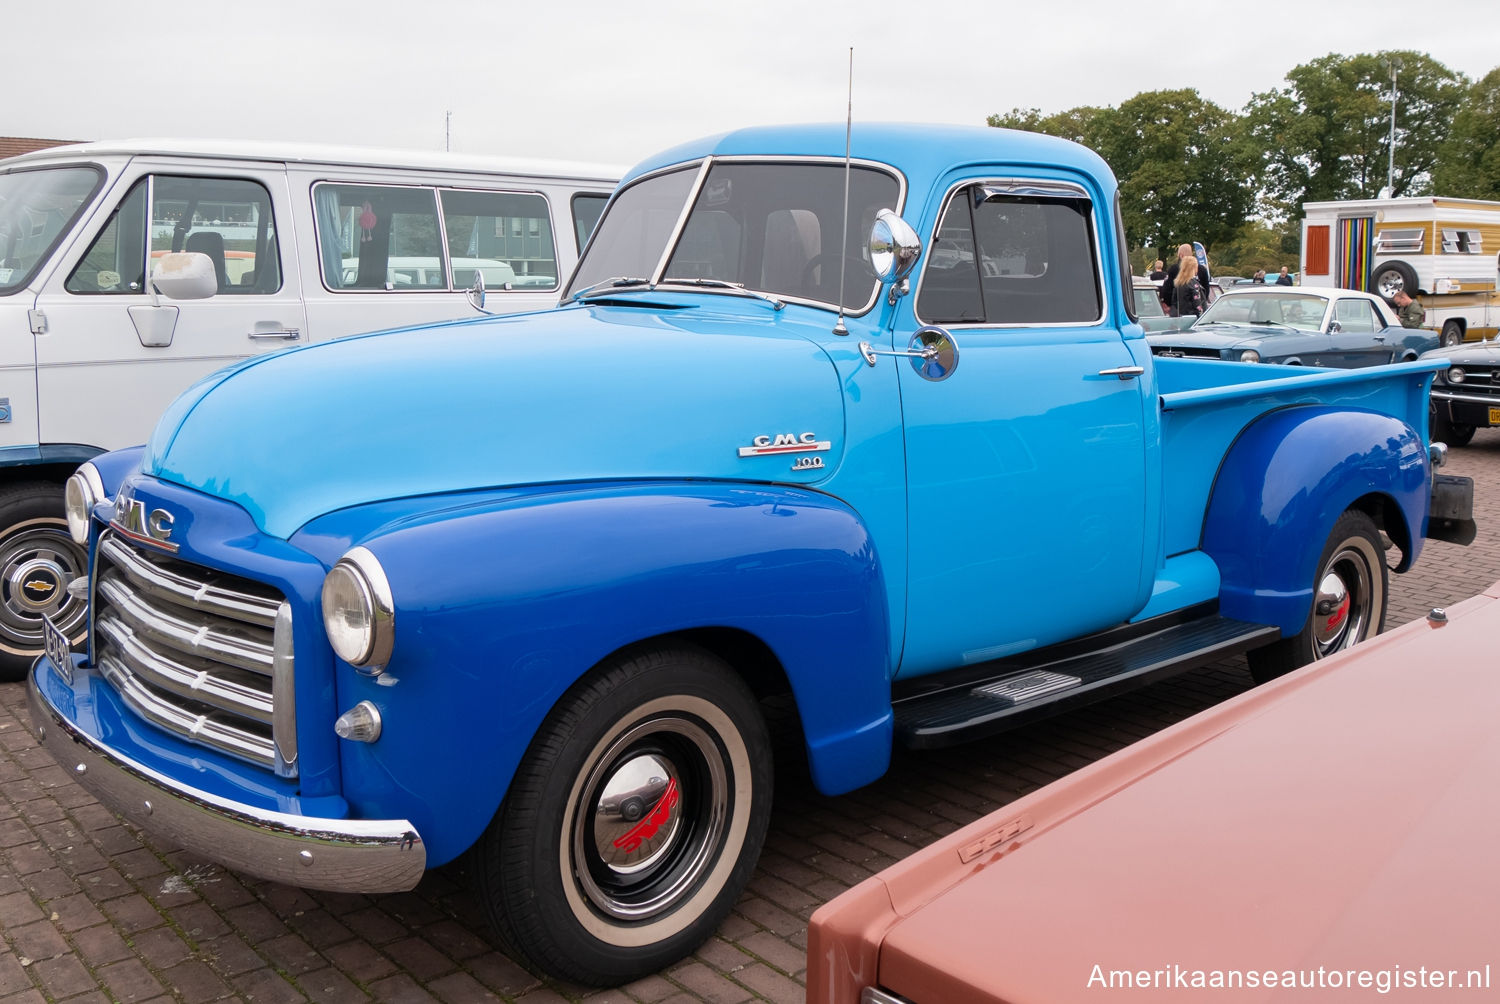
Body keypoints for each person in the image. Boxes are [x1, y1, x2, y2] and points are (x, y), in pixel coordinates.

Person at [1160, 244, 1211, 314]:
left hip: (1179, 311)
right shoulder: (1202, 270)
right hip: (1196, 312)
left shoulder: (1174, 270)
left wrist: (1170, 305)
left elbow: (1167, 290)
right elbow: (1206, 290)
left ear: (1181, 255)